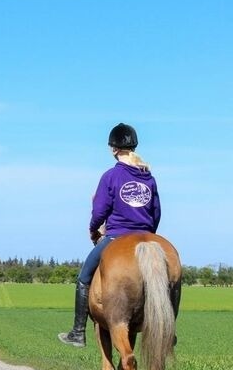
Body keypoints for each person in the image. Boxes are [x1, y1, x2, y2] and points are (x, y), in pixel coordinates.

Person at [58, 123, 161, 347]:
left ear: (114, 149)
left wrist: (94, 228)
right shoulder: (149, 177)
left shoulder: (111, 176)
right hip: (146, 236)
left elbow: (100, 210)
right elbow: (156, 213)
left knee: (84, 278)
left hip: (116, 236)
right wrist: (146, 233)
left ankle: (77, 331)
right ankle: (168, 332)